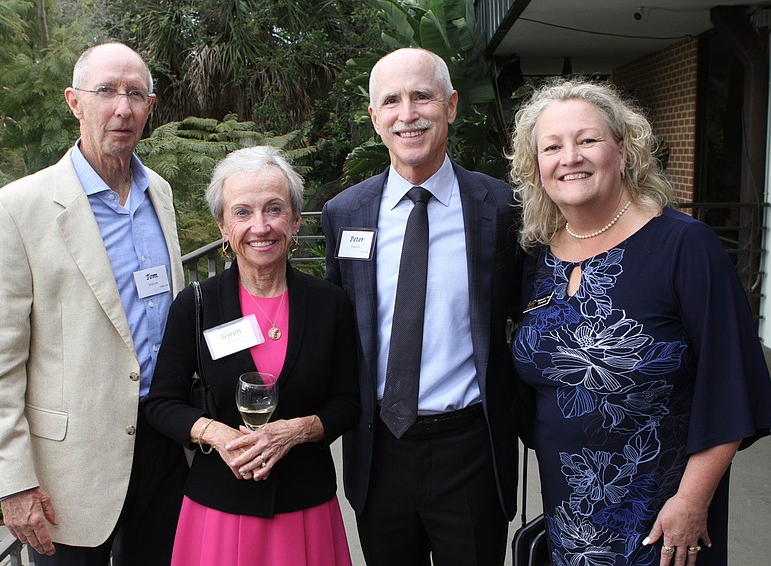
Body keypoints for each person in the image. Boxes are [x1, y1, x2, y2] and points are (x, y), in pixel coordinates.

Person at [507, 79, 771, 566]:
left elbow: (731, 382)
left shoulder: (685, 247)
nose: (570, 157)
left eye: (588, 140)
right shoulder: (538, 258)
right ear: (535, 166)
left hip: (663, 518)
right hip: (570, 515)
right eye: (552, 147)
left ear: (624, 152)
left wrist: (692, 500)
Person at [0, 43, 187, 564]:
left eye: (136, 94)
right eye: (106, 91)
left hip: (165, 444)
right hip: (71, 472)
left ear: (150, 107)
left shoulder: (159, 193)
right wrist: (13, 483)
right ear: (74, 102)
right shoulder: (17, 209)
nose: (122, 108)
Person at [321, 47, 520, 566]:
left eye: (422, 96)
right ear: (375, 118)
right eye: (391, 101)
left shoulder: (501, 208)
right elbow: (334, 325)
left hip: (470, 451)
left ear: (450, 106)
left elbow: (531, 316)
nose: (407, 114)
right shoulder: (345, 213)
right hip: (380, 449)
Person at [144, 145, 359, 566]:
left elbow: (349, 402)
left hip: (305, 507)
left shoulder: (329, 303)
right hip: (219, 512)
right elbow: (161, 403)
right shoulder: (197, 304)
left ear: (295, 221)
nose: (260, 226)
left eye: (274, 209)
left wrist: (295, 430)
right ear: (223, 227)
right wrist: (217, 435)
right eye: (242, 212)